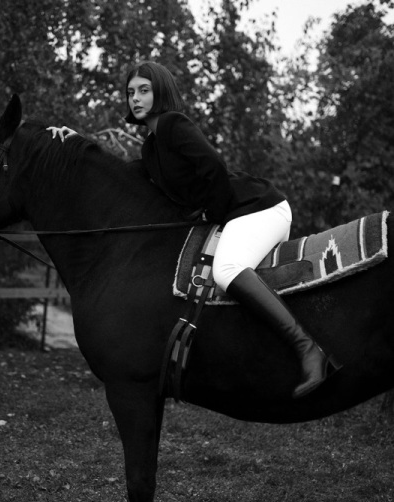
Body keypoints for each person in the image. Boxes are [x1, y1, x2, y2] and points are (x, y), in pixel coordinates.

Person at [48, 61, 340, 399]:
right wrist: (75, 143)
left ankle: (309, 350)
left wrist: (209, 214)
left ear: (161, 92)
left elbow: (213, 166)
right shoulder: (152, 147)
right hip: (236, 217)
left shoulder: (174, 124)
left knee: (226, 269)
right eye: (130, 93)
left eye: (144, 90)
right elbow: (125, 176)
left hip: (260, 208)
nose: (135, 98)